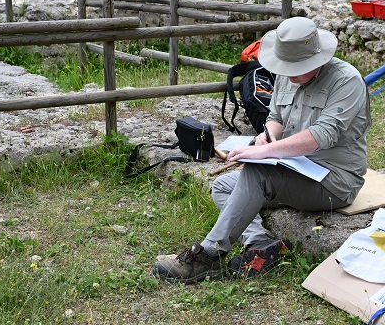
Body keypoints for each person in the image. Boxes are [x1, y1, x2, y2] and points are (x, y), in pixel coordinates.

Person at [152, 16, 372, 284]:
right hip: (294, 167)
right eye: (286, 66)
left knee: (258, 173)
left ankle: (208, 256)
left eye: (297, 67)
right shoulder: (287, 74)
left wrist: (267, 153)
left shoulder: (346, 81)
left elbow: (322, 135)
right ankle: (261, 244)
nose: (289, 74)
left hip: (334, 180)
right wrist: (267, 137)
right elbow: (277, 115)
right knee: (222, 186)